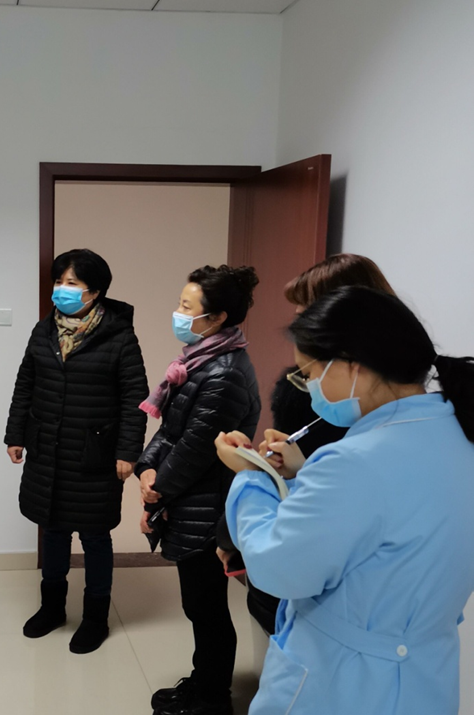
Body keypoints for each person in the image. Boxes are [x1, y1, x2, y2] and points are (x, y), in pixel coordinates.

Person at [216, 287, 474, 715]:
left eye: (309, 374)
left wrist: (251, 479)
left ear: (354, 364)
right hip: (425, 674)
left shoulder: (355, 461)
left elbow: (278, 567)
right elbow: (387, 523)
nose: (309, 389)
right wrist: (305, 473)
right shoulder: (456, 432)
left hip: (344, 681)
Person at [215, 253, 396, 634]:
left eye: (306, 312)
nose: (297, 323)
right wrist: (293, 467)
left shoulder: (371, 437)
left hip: (322, 596)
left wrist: (251, 476)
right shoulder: (362, 408)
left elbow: (284, 558)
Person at [5, 249, 148, 654]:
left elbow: (135, 399)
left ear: (95, 292)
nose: (61, 290)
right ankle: (52, 608)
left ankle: (95, 618)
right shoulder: (44, 330)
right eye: (58, 281)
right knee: (52, 531)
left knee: (94, 535)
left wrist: (128, 452)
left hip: (94, 454)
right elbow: (25, 384)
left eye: (72, 283)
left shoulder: (120, 336)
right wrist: (15, 434)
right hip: (47, 449)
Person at [137, 265, 261, 715]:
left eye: (186, 307)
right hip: (191, 500)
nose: (178, 313)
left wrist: (158, 488)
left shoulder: (224, 372)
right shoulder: (199, 360)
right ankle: (204, 681)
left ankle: (211, 699)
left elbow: (196, 448)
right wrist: (147, 468)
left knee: (206, 608)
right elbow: (172, 431)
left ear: (217, 318)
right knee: (199, 605)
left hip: (208, 509)